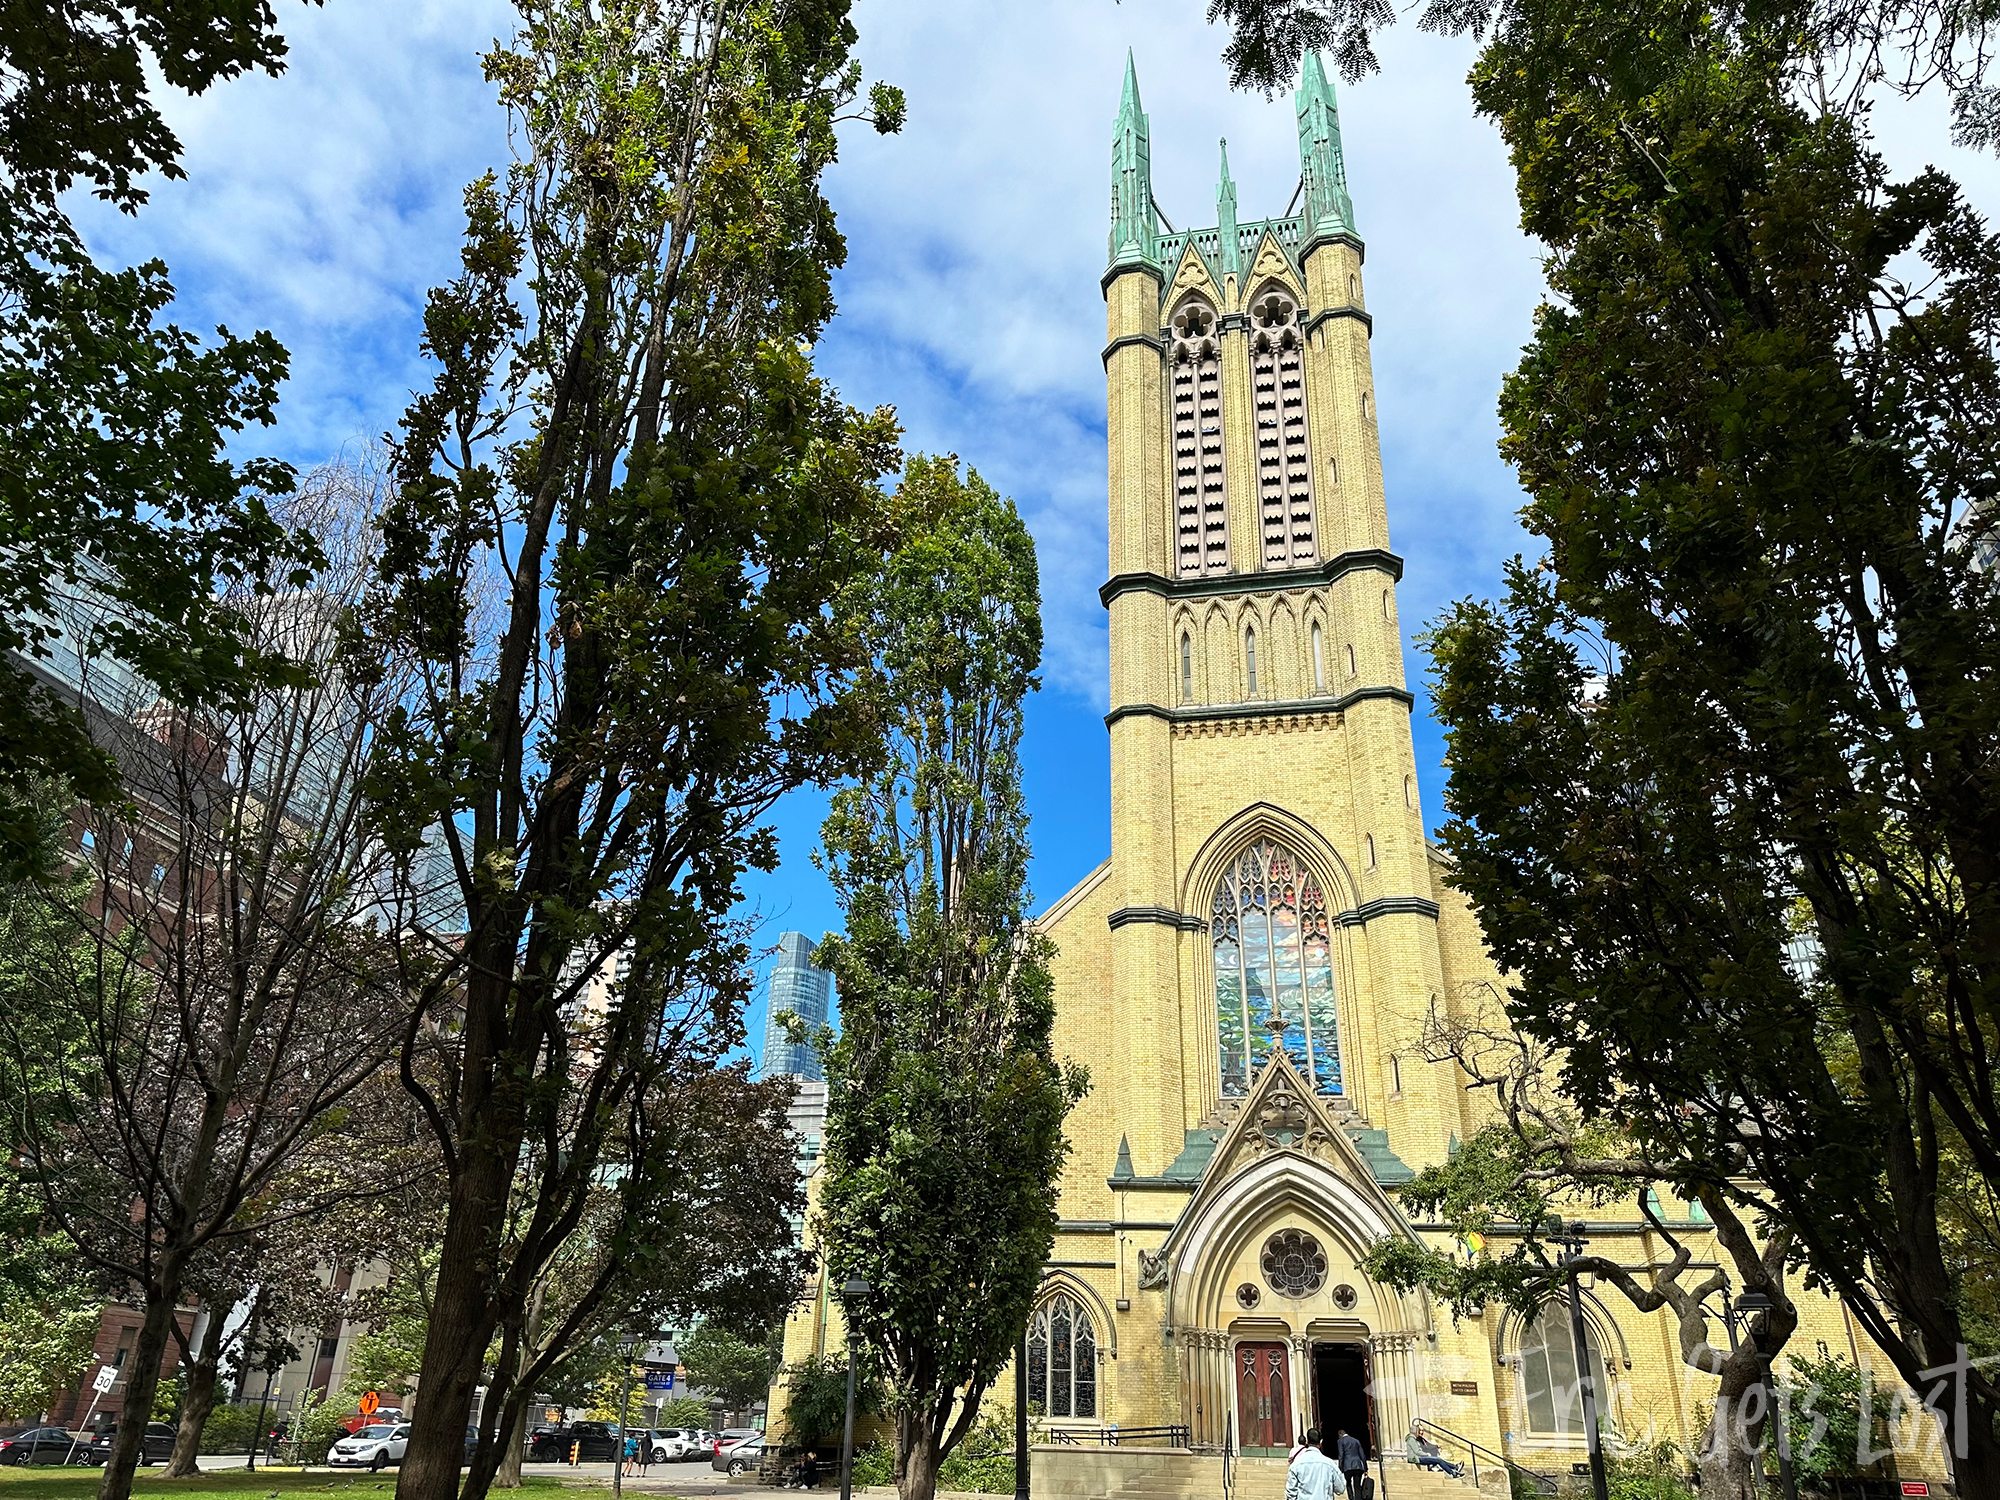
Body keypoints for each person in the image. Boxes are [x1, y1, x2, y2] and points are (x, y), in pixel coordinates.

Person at [1284, 1427, 1346, 1500]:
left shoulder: (1296, 1464)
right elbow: (1340, 1489)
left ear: (1307, 1441)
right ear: (1321, 1442)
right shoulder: (1330, 1464)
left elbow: (1291, 1493)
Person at [1333, 1429, 1367, 1493]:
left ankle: (1351, 1497)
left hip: (1347, 1465)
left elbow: (1341, 1455)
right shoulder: (1356, 1441)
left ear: (1340, 1435)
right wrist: (1365, 1468)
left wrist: (1340, 1467)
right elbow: (1362, 1455)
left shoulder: (1340, 1441)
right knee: (1357, 1486)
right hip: (1358, 1465)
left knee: (1348, 1484)